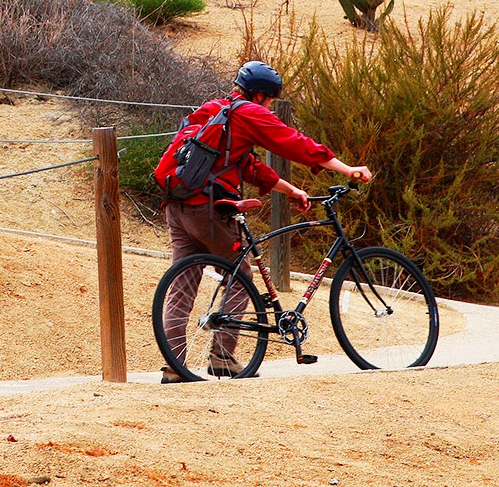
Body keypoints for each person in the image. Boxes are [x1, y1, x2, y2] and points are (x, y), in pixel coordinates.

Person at [157, 60, 371, 383]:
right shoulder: (250, 113)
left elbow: (248, 166)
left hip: (178, 204)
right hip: (207, 208)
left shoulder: (217, 110)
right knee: (240, 273)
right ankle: (221, 356)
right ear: (260, 96)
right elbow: (294, 143)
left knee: (182, 284)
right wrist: (347, 169)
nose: (271, 106)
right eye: (270, 100)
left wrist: (291, 190)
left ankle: (174, 366)